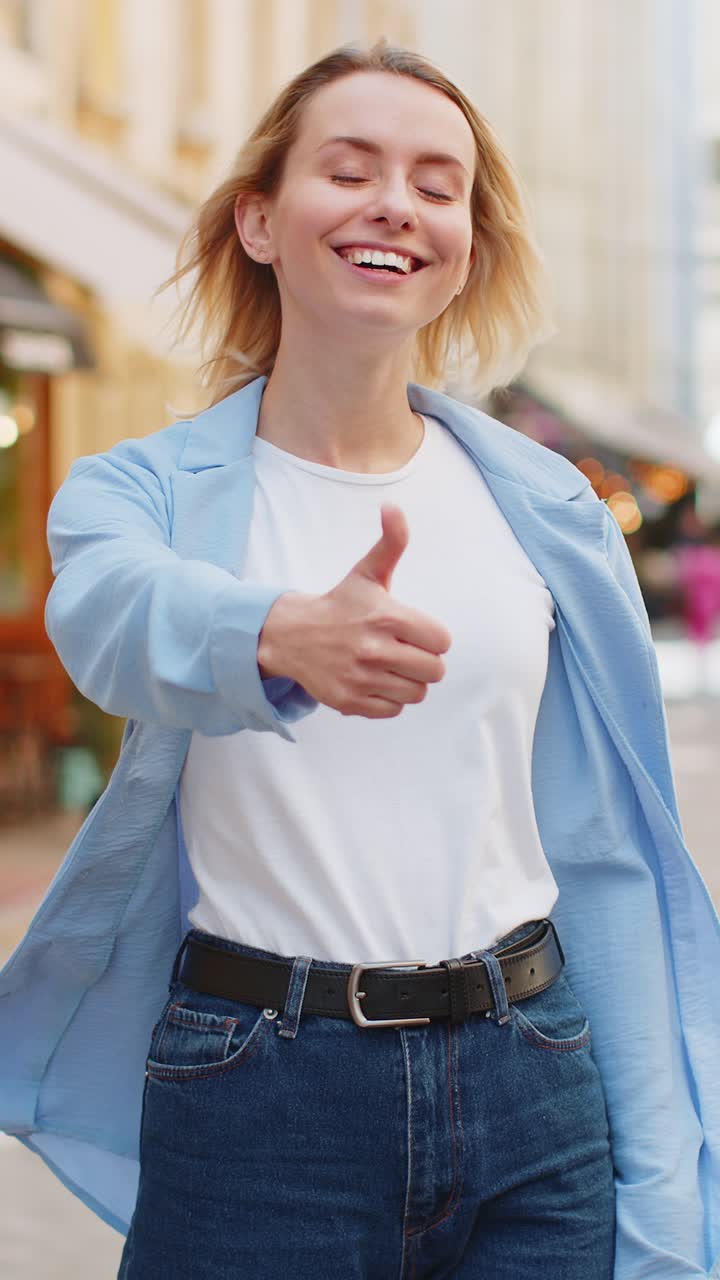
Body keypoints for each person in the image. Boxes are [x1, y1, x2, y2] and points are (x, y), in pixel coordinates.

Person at [0, 40, 718, 1280]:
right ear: (261, 219)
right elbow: (111, 618)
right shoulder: (140, 494)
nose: (398, 201)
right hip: (258, 1090)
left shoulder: (548, 508)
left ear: (466, 254)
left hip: (535, 1075)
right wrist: (272, 632)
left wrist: (663, 1197)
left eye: (440, 185)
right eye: (352, 169)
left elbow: (605, 861)